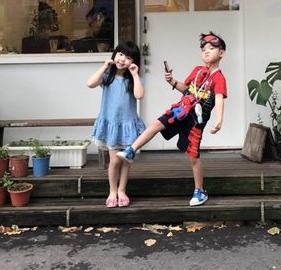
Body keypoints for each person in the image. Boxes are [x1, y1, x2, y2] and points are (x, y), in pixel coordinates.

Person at [117, 31, 228, 207]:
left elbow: (220, 98)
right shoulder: (197, 71)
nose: (206, 51)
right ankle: (132, 150)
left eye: (211, 48)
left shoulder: (219, 78)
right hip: (180, 110)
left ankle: (200, 190)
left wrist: (219, 120)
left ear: (221, 53)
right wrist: (172, 81)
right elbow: (186, 89)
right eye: (203, 49)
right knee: (156, 124)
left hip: (195, 121)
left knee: (193, 156)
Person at [86, 41, 145, 208]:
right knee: (114, 161)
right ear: (114, 54)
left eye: (128, 57)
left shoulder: (132, 79)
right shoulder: (108, 76)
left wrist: (135, 75)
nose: (122, 59)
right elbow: (90, 83)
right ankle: (112, 191)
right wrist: (104, 66)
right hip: (112, 125)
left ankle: (122, 190)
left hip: (128, 126)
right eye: (120, 54)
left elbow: (139, 95)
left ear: (133, 62)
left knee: (126, 160)